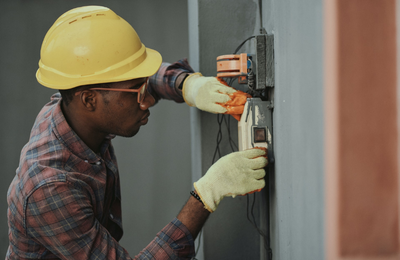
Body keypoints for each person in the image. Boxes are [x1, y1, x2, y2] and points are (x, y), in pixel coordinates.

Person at [6, 6, 268, 259]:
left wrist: (187, 85)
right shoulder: (49, 189)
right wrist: (207, 194)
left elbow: (132, 79)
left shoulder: (72, 103)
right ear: (89, 100)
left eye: (144, 87)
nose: (148, 101)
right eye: (137, 92)